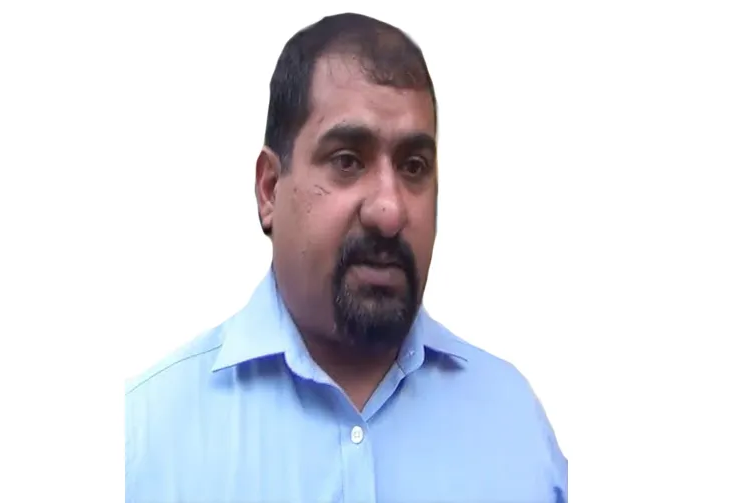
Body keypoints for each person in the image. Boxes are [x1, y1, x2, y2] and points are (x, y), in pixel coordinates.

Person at [125, 12, 568, 503]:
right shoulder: (145, 442)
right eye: (347, 161)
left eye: (414, 166)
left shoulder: (516, 429)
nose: (389, 210)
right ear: (269, 189)